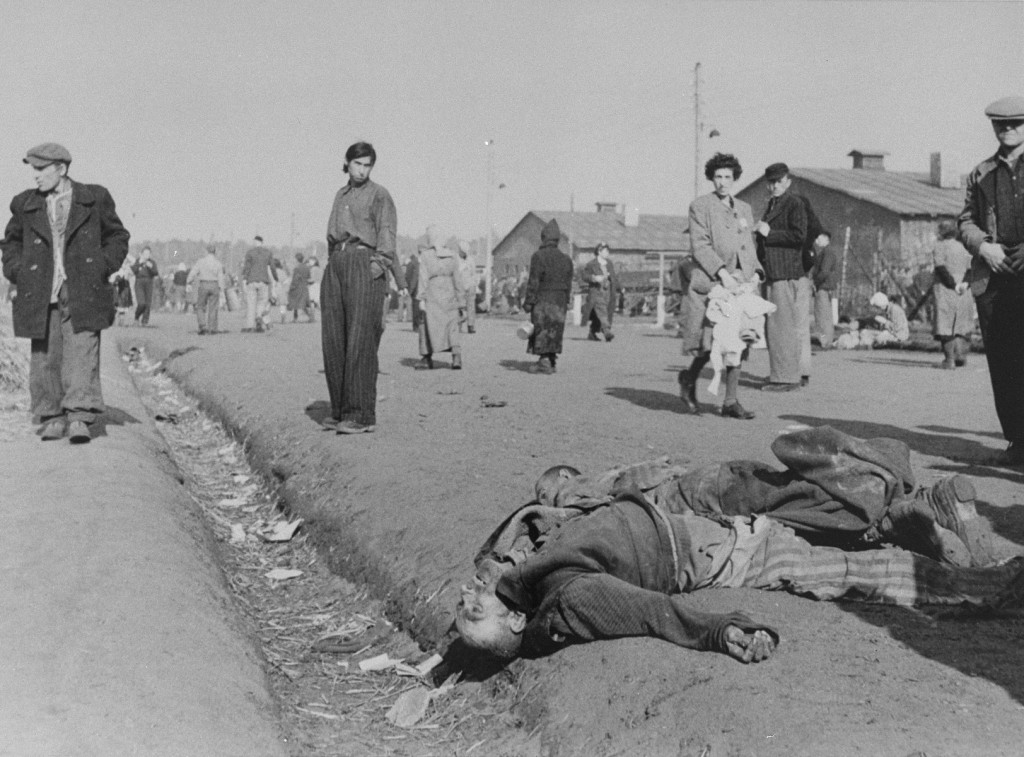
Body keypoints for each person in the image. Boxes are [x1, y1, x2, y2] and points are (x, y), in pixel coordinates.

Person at [456, 428, 1020, 664]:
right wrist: (720, 629)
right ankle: (981, 572)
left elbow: (500, 573)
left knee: (830, 524)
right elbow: (653, 613)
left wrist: (498, 571)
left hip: (698, 520)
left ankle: (919, 512)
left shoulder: (529, 563)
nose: (469, 596)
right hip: (711, 531)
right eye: (473, 611)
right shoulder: (565, 599)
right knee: (844, 560)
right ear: (511, 624)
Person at [528, 425, 994, 568]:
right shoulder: (618, 476)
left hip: (699, 496)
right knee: (800, 504)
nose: (550, 498)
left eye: (549, 488)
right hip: (708, 484)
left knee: (791, 502)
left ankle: (896, 509)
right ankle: (913, 508)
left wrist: (557, 505)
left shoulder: (580, 488)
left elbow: (572, 511)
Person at [0, 142, 130, 443]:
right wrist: (18, 270)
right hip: (41, 287)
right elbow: (10, 242)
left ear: (61, 169)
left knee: (82, 348)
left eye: (41, 169)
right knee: (46, 353)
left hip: (83, 285)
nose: (36, 176)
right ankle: (52, 415)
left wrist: (102, 265)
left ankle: (79, 417)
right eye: (33, 169)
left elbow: (117, 236)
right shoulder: (24, 203)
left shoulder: (93, 198)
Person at [322, 141, 407, 434]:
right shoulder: (340, 195)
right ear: (347, 164)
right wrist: (332, 264)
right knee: (335, 339)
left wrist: (377, 266)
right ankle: (340, 409)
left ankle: (360, 414)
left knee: (361, 339)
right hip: (338, 264)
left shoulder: (379, 195)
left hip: (364, 264)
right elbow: (332, 235)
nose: (362, 170)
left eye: (367, 164)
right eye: (357, 164)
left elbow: (387, 233)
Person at [958, 96, 1024, 466]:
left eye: (1016, 123)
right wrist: (984, 248)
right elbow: (965, 220)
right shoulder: (981, 172)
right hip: (996, 276)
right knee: (1005, 360)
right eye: (1001, 124)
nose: (1008, 129)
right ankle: (1018, 441)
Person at [678, 153, 763, 419]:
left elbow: (749, 246)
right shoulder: (700, 206)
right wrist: (723, 273)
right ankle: (689, 379)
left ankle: (730, 402)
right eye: (718, 177)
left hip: (742, 283)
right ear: (711, 178)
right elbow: (700, 245)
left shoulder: (744, 208)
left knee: (739, 341)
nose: (723, 182)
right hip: (715, 282)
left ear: (735, 178)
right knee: (712, 341)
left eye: (728, 177)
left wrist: (756, 272)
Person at [756, 162, 811, 391]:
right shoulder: (773, 204)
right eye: (771, 182)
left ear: (788, 182)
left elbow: (799, 236)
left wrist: (769, 233)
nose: (775, 186)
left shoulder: (793, 203)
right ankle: (793, 373)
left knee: (781, 328)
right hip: (780, 271)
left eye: (779, 181)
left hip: (784, 272)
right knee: (787, 327)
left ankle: (785, 379)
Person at [522, 218, 573, 375]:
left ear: (544, 238)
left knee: (542, 327)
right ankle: (551, 360)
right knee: (555, 328)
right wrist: (567, 300)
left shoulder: (538, 256)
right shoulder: (566, 259)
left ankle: (544, 361)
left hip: (543, 298)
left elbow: (534, 281)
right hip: (560, 300)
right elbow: (569, 283)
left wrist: (529, 301)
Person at [415, 226, 465, 370]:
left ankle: (426, 358)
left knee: (426, 325)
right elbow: (458, 280)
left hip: (433, 293)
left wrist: (421, 298)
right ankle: (456, 357)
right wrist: (461, 302)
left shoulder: (425, 255)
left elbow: (423, 278)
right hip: (449, 292)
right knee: (452, 325)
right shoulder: (453, 255)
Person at [931, 219, 974, 369]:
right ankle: (961, 356)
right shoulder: (964, 247)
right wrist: (965, 283)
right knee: (962, 323)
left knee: (945, 324)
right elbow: (971, 268)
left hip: (946, 288)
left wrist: (953, 285)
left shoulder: (939, 246)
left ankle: (949, 360)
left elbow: (940, 268)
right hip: (964, 289)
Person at [580, 242, 618, 342]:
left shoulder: (609, 263)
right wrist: (594, 278)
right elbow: (584, 276)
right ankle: (607, 331)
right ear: (599, 252)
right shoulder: (591, 264)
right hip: (597, 292)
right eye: (606, 251)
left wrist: (620, 287)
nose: (608, 253)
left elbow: (614, 277)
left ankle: (592, 333)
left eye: (608, 251)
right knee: (602, 312)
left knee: (600, 314)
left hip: (608, 292)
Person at [241, 235, 277, 333]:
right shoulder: (268, 253)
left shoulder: (250, 253)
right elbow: (273, 267)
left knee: (251, 304)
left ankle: (249, 326)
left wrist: (244, 278)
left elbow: (247, 267)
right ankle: (259, 317)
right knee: (262, 302)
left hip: (251, 280)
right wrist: (275, 278)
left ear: (255, 242)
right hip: (263, 280)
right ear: (262, 242)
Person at [809, 231, 838, 350]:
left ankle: (824, 342)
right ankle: (826, 341)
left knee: (822, 316)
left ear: (826, 239)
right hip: (824, 287)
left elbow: (824, 271)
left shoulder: (827, 253)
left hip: (823, 287)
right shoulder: (826, 252)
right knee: (824, 315)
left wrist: (815, 282)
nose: (817, 240)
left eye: (818, 238)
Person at [187, 245, 225, 335]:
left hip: (203, 284)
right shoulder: (218, 263)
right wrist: (222, 289)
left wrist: (188, 281)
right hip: (214, 285)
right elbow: (221, 278)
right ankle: (212, 328)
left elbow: (193, 272)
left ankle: (202, 325)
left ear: (207, 251)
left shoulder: (201, 262)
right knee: (213, 308)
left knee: (200, 306)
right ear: (214, 252)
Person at [132, 246, 158, 326]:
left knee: (148, 303)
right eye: (145, 253)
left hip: (149, 282)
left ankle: (145, 321)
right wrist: (139, 263)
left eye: (148, 253)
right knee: (141, 303)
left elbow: (156, 273)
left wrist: (151, 267)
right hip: (139, 282)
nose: (147, 255)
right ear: (142, 254)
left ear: (150, 254)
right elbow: (133, 270)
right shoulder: (138, 261)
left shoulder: (152, 262)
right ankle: (136, 317)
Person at [456, 240, 477, 334]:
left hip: (470, 285)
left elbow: (473, 273)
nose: (464, 254)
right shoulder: (456, 259)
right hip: (460, 286)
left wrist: (473, 284)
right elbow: (455, 273)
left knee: (471, 306)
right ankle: (459, 324)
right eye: (463, 252)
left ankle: (470, 325)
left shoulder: (471, 260)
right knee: (459, 306)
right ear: (460, 251)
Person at [287, 252, 314, 323]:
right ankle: (310, 317)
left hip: (297, 287)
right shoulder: (306, 267)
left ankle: (295, 318)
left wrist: (291, 287)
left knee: (295, 303)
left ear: (296, 259)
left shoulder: (297, 268)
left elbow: (294, 279)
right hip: (304, 287)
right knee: (304, 304)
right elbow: (309, 277)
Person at [405, 250, 421, 330]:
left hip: (416, 290)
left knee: (415, 307)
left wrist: (410, 289)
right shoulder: (419, 264)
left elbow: (409, 277)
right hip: (420, 289)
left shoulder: (412, 264)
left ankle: (416, 326)